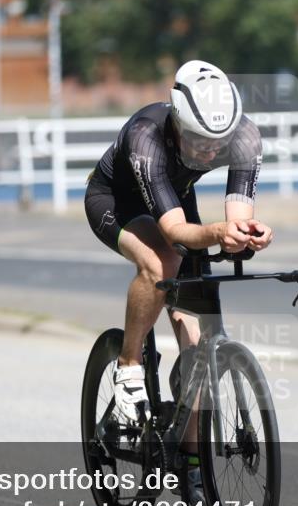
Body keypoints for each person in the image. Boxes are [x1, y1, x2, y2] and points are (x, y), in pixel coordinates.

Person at [84, 60, 274, 430]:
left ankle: (187, 457)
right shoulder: (146, 134)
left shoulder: (245, 136)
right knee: (162, 262)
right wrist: (217, 232)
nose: (210, 152)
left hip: (173, 196)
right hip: (116, 202)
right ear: (178, 122)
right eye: (200, 141)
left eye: (218, 143)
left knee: (196, 352)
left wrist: (248, 233)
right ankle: (129, 368)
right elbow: (174, 232)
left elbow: (236, 217)